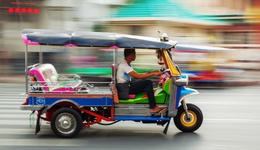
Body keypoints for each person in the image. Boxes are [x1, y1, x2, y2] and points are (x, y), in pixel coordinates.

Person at [116, 48, 166, 114]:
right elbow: (137, 76)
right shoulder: (124, 65)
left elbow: (138, 74)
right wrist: (153, 73)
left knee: (149, 84)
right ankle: (153, 107)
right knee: (148, 83)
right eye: (135, 54)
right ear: (131, 55)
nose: (135, 55)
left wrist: (153, 72)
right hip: (125, 88)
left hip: (127, 86)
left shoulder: (127, 64)